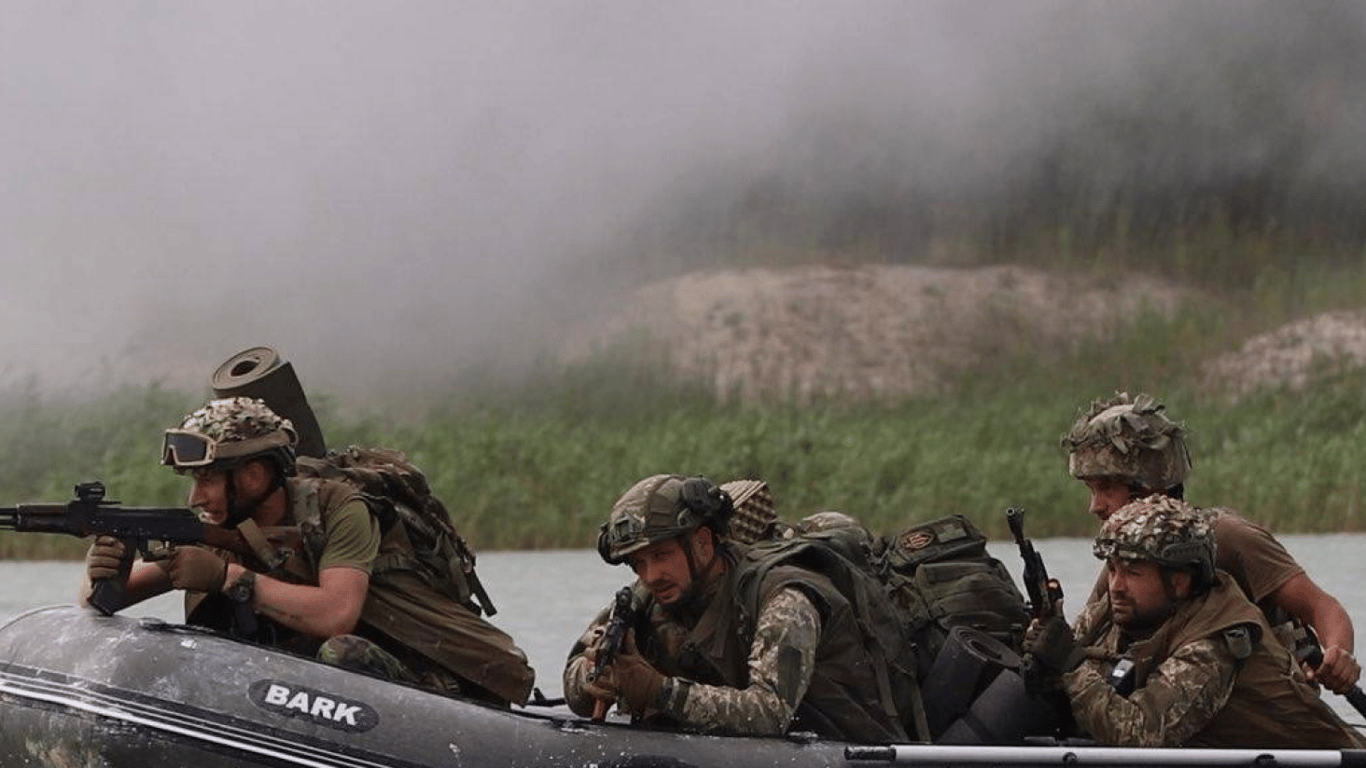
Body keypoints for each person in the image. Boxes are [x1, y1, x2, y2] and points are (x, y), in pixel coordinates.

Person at [81, 397, 534, 706]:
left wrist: (229, 579)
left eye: (206, 480)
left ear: (254, 476)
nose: (195, 499)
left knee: (343, 653)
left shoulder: (340, 508)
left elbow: (337, 613)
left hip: (426, 678)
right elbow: (100, 602)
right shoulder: (216, 530)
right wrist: (107, 571)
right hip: (309, 697)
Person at [562, 473, 913, 742]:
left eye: (661, 555)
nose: (650, 575)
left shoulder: (783, 597)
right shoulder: (647, 597)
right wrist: (595, 679)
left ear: (701, 544)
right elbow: (577, 667)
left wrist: (657, 690)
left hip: (837, 745)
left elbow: (771, 711)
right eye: (638, 563)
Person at [1062, 392, 1360, 694]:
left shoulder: (1227, 538)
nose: (1095, 506)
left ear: (1153, 487)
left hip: (1263, 709)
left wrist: (1339, 655)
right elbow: (1082, 641)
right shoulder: (1126, 567)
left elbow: (1323, 607)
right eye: (1091, 490)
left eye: (1106, 488)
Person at [1024, 495, 1366, 748]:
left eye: (1132, 572)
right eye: (1112, 569)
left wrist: (1070, 665)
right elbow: (1072, 665)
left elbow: (1139, 734)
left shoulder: (1217, 638)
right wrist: (1042, 649)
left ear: (1180, 581)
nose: (1116, 586)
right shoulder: (1122, 611)